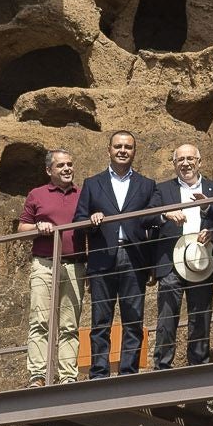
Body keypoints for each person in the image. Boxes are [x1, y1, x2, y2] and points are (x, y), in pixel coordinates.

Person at [76, 130, 161, 376]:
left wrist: (152, 265)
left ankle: (128, 372)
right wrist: (91, 219)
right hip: (102, 257)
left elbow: (154, 221)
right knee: (100, 320)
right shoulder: (92, 183)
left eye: (128, 147)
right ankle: (99, 372)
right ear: (109, 150)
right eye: (118, 146)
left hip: (135, 257)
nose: (123, 151)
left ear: (134, 151)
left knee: (133, 319)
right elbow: (79, 218)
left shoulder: (147, 184)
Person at [153, 141, 213, 369]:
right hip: (170, 262)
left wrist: (212, 230)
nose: (186, 164)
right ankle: (162, 367)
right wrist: (165, 214)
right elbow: (146, 217)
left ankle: (199, 367)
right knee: (166, 318)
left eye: (190, 159)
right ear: (174, 163)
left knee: (201, 316)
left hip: (202, 262)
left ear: (199, 162)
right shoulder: (162, 190)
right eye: (180, 160)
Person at [16, 147, 84, 386]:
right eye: (61, 165)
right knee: (40, 321)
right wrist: (38, 227)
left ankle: (68, 376)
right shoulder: (37, 194)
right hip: (44, 264)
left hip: (75, 264)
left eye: (69, 164)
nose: (67, 169)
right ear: (49, 170)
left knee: (69, 324)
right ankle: (38, 375)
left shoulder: (82, 194)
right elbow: (21, 228)